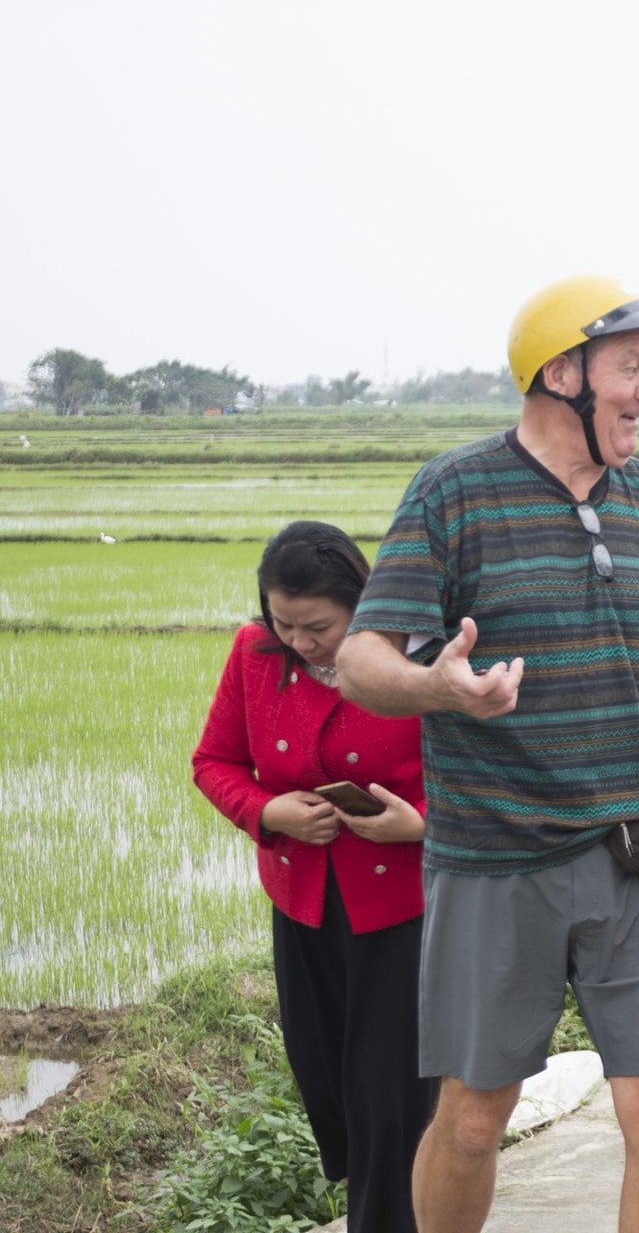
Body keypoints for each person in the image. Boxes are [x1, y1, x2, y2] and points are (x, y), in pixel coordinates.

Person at [334, 275, 639, 1233]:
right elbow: (362, 660)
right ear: (562, 374)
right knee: (473, 1119)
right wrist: (439, 686)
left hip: (637, 853)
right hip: (498, 857)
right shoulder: (456, 491)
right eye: (633, 369)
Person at [191, 521, 435, 1233]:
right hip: (303, 899)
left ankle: (384, 1218)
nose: (301, 641)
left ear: (363, 604)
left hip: (402, 906)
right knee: (326, 1078)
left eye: (319, 626)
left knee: (388, 1093)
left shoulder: (413, 661)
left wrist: (418, 823)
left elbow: (478, 778)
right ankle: (389, 1201)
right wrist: (268, 810)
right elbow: (215, 763)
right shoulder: (255, 656)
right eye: (284, 623)